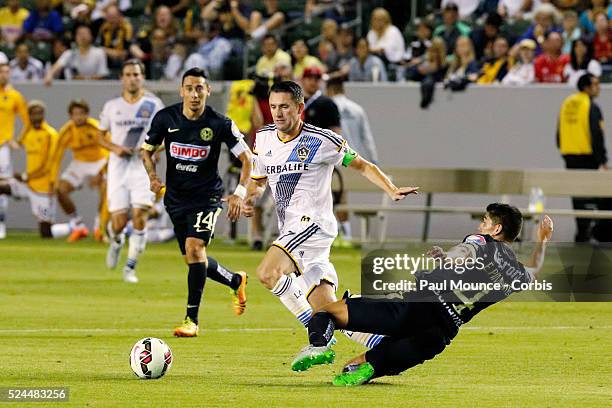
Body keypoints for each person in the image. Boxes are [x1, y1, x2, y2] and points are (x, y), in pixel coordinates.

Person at [291, 204, 554, 386]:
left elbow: (465, 251)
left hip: (415, 309)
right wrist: (542, 240)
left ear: (496, 229)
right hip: (438, 337)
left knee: (326, 312)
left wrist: (449, 258)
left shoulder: (482, 241)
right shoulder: (514, 273)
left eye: (485, 221)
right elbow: (534, 271)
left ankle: (319, 345)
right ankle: (376, 361)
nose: (480, 224)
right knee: (355, 369)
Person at [244, 80, 419, 351]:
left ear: (300, 107)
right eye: (274, 107)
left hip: (312, 224)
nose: (278, 113)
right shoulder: (264, 137)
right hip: (291, 229)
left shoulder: (323, 140)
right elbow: (258, 178)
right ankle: (387, 344)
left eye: (285, 107)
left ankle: (317, 336)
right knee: (329, 309)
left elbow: (362, 165)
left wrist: (391, 188)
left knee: (268, 273)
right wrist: (249, 197)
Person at [142, 67, 251, 337]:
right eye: (189, 88)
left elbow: (248, 159)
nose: (194, 94)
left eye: (199, 88)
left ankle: (192, 321)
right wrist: (153, 177)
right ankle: (235, 280)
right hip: (175, 198)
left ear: (208, 91)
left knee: (194, 248)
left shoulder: (220, 123)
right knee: (193, 258)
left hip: (207, 197)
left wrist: (239, 192)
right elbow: (146, 152)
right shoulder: (165, 118)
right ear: (181, 91)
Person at [97, 59, 164, 283]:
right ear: (122, 78)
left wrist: (149, 148)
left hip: (142, 169)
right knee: (117, 223)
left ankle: (130, 268)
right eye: (128, 74)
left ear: (142, 77)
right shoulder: (112, 106)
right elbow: (99, 136)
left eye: (136, 74)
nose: (132, 78)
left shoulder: (154, 105)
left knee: (139, 217)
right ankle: (116, 241)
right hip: (118, 169)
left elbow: (169, 137)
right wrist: (116, 148)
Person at [0, 100, 72, 238]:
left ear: (43, 115)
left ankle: (72, 228)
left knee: (46, 232)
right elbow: (17, 144)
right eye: (33, 114)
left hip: (43, 190)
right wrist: (6, 140)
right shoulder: (28, 131)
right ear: (29, 116)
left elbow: (49, 166)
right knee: (1, 186)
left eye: (39, 114)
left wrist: (27, 176)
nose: (36, 117)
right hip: (26, 185)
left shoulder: (51, 134)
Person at [557, 73, 608, 242]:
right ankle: (598, 233)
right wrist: (602, 160)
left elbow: (558, 134)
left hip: (570, 157)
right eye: (595, 84)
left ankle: (581, 232)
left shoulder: (566, 103)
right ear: (586, 87)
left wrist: (565, 152)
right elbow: (597, 134)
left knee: (578, 197)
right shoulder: (590, 106)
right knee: (596, 196)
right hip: (588, 158)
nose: (598, 87)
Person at [55, 99, 109, 242]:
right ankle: (78, 226)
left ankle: (99, 227)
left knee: (106, 188)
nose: (78, 117)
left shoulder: (96, 127)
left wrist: (101, 171)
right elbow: (56, 156)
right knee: (60, 190)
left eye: (81, 113)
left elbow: (110, 150)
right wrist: (51, 178)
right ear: (70, 116)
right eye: (75, 114)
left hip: (99, 161)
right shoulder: (66, 131)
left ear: (87, 114)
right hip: (79, 163)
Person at [0, 62, 28, 239]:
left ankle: (0, 223)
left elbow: (27, 121)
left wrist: (18, 141)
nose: (4, 74)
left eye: (7, 71)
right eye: (1, 71)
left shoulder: (15, 96)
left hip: (2, 148)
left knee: (2, 186)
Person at [44, 24, 109, 85]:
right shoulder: (69, 53)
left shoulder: (99, 52)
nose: (83, 36)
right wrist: (49, 75)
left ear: (91, 36)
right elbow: (57, 65)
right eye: (80, 34)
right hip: (74, 88)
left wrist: (84, 79)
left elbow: (102, 75)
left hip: (95, 87)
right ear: (75, 37)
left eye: (85, 33)